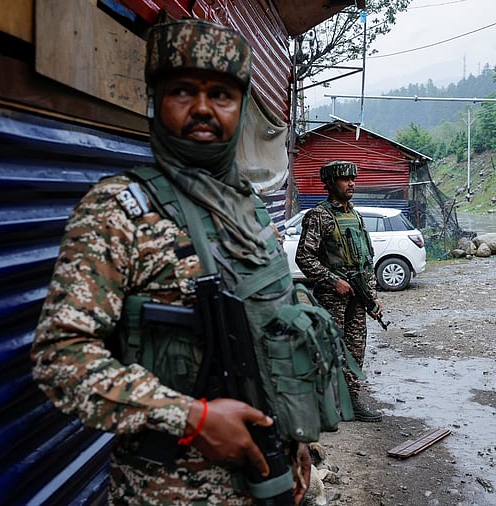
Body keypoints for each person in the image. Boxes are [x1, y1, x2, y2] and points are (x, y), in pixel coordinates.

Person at [31, 18, 313, 505]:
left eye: (221, 95)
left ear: (240, 108)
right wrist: (187, 416)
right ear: (155, 102)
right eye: (183, 91)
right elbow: (61, 358)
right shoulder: (118, 209)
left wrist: (296, 435)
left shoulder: (247, 207)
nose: (203, 108)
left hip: (272, 477)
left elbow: (273, 330)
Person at [295, 161, 383, 423]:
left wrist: (373, 295)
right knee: (329, 349)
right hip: (332, 297)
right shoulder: (318, 216)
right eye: (345, 179)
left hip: (357, 294)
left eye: (353, 179)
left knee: (356, 349)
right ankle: (323, 404)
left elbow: (364, 260)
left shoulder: (355, 216)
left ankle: (351, 401)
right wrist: (333, 281)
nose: (351, 184)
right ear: (331, 183)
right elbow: (304, 257)